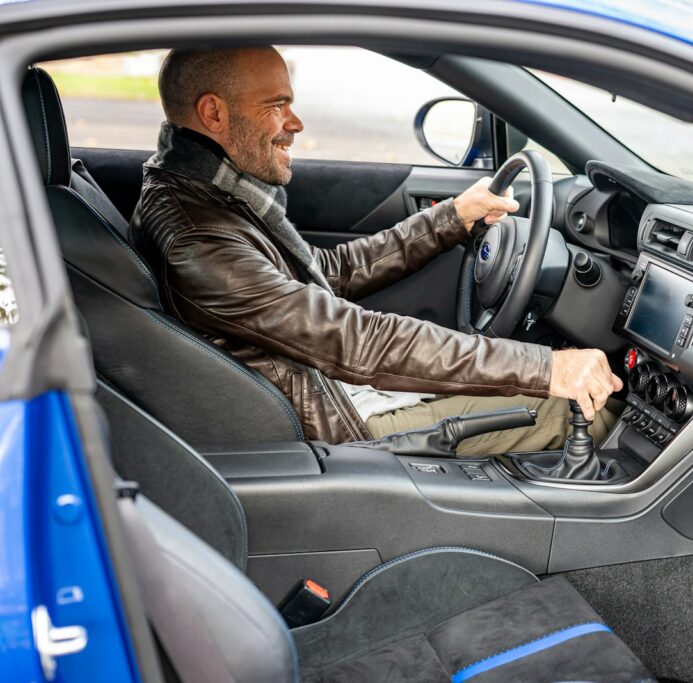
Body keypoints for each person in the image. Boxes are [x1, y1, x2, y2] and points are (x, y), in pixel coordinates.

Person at [129, 46, 622, 456]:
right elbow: (353, 339)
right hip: (339, 427)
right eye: (276, 105)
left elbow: (325, 273)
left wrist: (451, 218)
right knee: (585, 412)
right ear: (214, 112)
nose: (294, 122)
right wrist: (546, 368)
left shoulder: (209, 196)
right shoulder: (199, 238)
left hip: (331, 392)